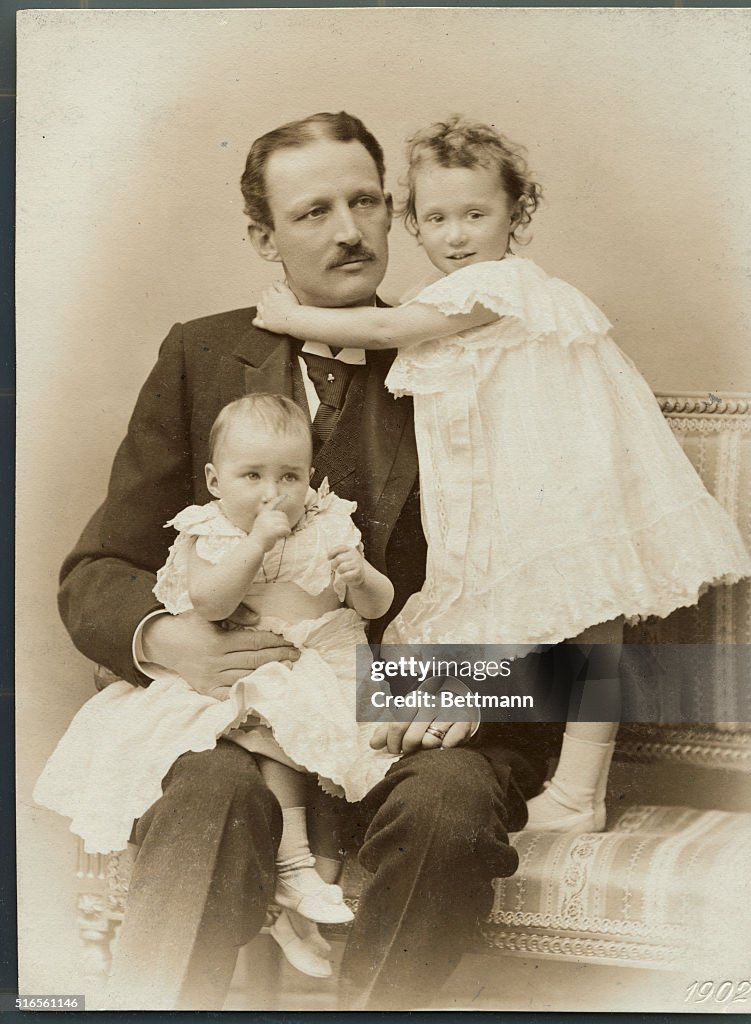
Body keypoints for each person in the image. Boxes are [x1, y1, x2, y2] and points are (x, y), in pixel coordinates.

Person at [57, 110, 557, 1010]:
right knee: (209, 791)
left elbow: (566, 579)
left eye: (366, 200)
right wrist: (170, 639)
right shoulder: (200, 353)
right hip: (241, 706)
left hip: (409, 701)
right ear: (263, 236)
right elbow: (97, 569)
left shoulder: (478, 355)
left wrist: (474, 688)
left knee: (447, 801)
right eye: (314, 210)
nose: (348, 229)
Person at [253, 115, 751, 835]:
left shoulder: (498, 285)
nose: (457, 235)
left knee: (588, 622)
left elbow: (389, 331)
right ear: (414, 226)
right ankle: (556, 786)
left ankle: (579, 792)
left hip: (559, 485)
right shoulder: (462, 295)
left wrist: (290, 314)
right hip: (526, 487)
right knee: (576, 627)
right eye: (437, 218)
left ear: (517, 216)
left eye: (476, 215)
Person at [38, 392, 407, 972]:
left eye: (290, 476)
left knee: (344, 766)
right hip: (251, 670)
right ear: (214, 480)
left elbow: (379, 603)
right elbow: (208, 601)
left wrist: (360, 577)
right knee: (264, 756)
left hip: (338, 664)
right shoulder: (209, 531)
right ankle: (291, 873)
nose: (273, 492)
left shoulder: (329, 520)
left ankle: (297, 907)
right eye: (252, 475)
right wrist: (257, 541)